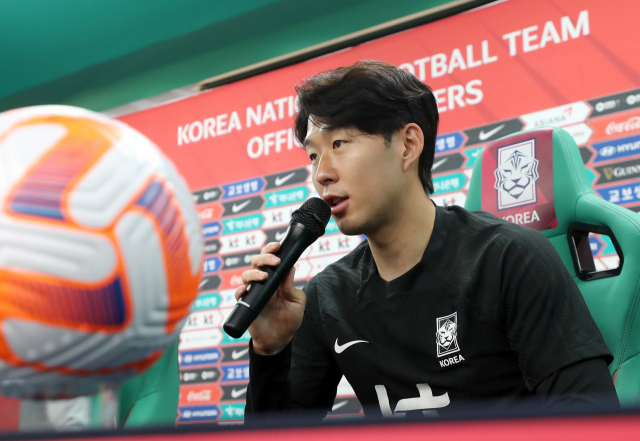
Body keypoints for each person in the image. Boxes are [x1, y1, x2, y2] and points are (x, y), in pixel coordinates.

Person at [235, 60, 618, 420]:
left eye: (339, 145)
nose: (322, 174)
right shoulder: (327, 298)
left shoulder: (508, 259)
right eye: (313, 156)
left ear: (407, 145)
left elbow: (590, 419)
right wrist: (270, 351)